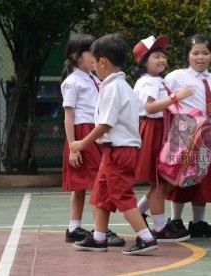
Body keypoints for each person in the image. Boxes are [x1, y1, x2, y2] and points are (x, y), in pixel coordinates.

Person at [69, 33, 158, 255]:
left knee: (121, 195)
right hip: (114, 150)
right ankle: (99, 237)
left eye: (93, 62)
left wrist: (82, 143)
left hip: (119, 150)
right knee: (101, 193)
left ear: (102, 62)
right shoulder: (118, 85)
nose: (93, 67)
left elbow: (105, 124)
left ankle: (146, 238)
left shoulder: (113, 88)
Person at [60, 33, 125, 247]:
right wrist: (73, 147)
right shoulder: (72, 82)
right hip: (81, 134)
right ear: (76, 56)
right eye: (91, 52)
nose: (95, 57)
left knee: (89, 184)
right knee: (93, 184)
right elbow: (69, 117)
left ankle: (76, 228)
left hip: (93, 133)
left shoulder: (94, 78)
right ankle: (93, 229)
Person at [158, 34, 211, 237]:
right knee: (180, 177)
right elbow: (164, 103)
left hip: (208, 136)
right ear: (187, 55)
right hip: (184, 134)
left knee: (202, 179)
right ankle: (175, 220)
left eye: (205, 53)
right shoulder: (176, 77)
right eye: (195, 53)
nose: (200, 57)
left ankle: (199, 222)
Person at [132, 35, 193, 242]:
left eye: (162, 56)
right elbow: (149, 108)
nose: (162, 59)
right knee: (159, 181)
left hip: (164, 128)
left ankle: (141, 212)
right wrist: (176, 97)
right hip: (154, 129)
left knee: (165, 179)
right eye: (156, 56)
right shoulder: (147, 82)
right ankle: (159, 228)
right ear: (143, 62)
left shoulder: (157, 80)